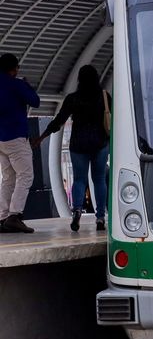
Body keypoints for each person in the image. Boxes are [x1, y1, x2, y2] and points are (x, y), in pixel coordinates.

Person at [32, 65, 112, 231]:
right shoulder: (104, 96)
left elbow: (59, 120)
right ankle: (100, 218)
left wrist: (42, 137)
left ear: (79, 80)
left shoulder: (73, 98)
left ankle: (76, 210)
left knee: (79, 179)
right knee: (98, 180)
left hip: (79, 144)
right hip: (100, 143)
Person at [0, 53, 40, 234]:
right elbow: (35, 101)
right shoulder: (16, 84)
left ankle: (2, 217)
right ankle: (14, 216)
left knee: (8, 177)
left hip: (0, 140)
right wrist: (26, 85)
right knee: (25, 175)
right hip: (15, 136)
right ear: (13, 69)